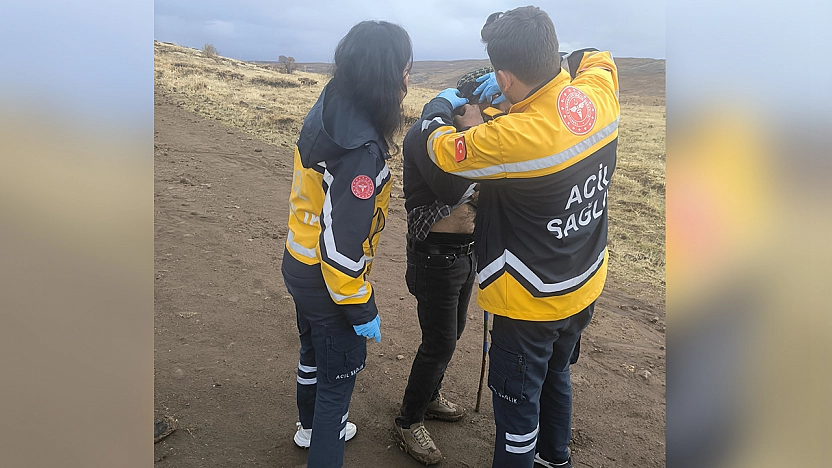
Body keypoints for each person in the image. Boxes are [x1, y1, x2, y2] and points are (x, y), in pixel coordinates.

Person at [414, 6, 620, 468]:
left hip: (531, 298)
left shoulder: (515, 136)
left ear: (504, 78)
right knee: (556, 376)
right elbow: (596, 56)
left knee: (517, 409)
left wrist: (438, 110)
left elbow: (441, 150)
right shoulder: (596, 96)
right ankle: (555, 460)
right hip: (583, 282)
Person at [280, 20, 412, 468]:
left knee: (311, 354)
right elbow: (340, 248)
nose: (407, 81)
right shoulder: (361, 151)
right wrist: (361, 307)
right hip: (328, 281)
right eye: (405, 70)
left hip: (298, 260)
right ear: (386, 75)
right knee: (336, 389)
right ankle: (320, 434)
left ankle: (306, 428)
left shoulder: (332, 103)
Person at [392, 67, 510, 465]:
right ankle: (408, 420)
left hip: (465, 253)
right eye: (486, 107)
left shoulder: (470, 136)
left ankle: (429, 397)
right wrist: (461, 124)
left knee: (452, 333)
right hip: (434, 256)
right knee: (439, 341)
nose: (491, 115)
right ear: (465, 105)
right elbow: (452, 188)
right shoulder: (426, 136)